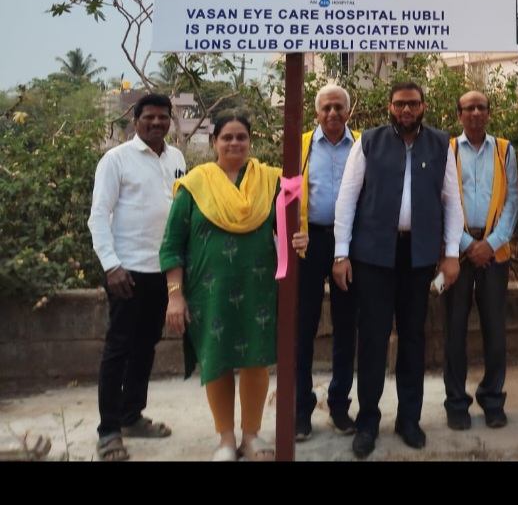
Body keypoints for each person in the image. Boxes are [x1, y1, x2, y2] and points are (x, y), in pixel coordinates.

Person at [161, 112, 308, 462]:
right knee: (217, 362)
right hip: (208, 293)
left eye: (241, 137)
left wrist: (299, 238)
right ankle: (226, 440)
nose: (234, 143)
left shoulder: (271, 181)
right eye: (227, 137)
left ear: (249, 141)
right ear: (214, 142)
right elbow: (171, 245)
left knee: (257, 361)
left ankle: (251, 437)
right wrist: (175, 295)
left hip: (258, 288)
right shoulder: (194, 185)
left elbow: (287, 232)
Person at [333, 81, 464, 458]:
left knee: (412, 339)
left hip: (419, 257)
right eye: (399, 104)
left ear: (423, 106)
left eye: (413, 104)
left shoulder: (441, 144)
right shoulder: (369, 142)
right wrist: (341, 254)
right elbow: (347, 197)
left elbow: (451, 202)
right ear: (390, 107)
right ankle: (368, 421)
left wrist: (451, 254)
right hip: (373, 257)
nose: (406, 110)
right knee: (372, 340)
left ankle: (409, 419)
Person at [88, 94, 186, 462]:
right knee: (118, 349)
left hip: (162, 272)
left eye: (163, 118)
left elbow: (179, 210)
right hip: (126, 273)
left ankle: (131, 416)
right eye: (150, 117)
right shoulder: (116, 160)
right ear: (135, 119)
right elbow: (99, 216)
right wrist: (111, 265)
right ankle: (109, 431)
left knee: (146, 347)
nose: (157, 123)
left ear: (170, 121)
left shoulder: (176, 159)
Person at [443, 91, 518, 431]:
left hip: (494, 255)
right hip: (456, 255)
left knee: (494, 331)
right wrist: (465, 243)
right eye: (468, 108)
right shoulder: (447, 150)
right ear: (459, 114)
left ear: (489, 113)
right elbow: (440, 200)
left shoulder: (505, 150)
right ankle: (456, 403)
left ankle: (492, 400)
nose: (475, 112)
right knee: (454, 331)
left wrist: (490, 243)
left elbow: (513, 200)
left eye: (481, 107)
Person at [295, 85, 360, 441]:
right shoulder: (300, 144)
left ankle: (338, 406)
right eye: (326, 108)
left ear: (348, 113)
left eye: (339, 107)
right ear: (316, 113)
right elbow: (285, 196)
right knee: (303, 329)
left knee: (345, 328)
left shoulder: (363, 144)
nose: (333, 113)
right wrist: (292, 233)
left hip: (348, 245)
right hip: (310, 243)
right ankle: (302, 410)